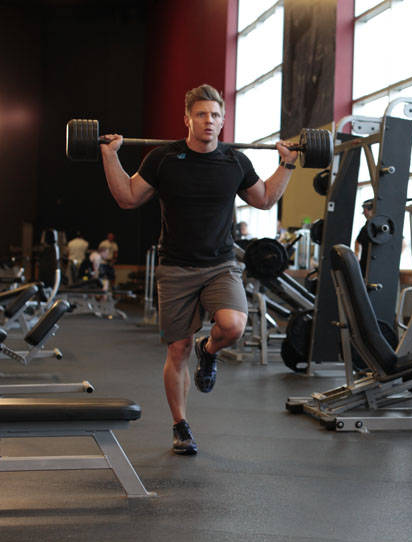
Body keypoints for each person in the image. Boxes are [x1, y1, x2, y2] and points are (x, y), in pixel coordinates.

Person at [99, 84, 298, 456]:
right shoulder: (163, 159)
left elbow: (265, 199)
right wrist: (111, 155)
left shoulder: (235, 161)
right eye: (202, 114)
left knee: (233, 325)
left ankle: (209, 352)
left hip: (220, 264)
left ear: (223, 121)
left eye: (216, 115)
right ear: (187, 119)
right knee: (177, 349)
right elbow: (127, 197)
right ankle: (181, 425)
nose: (210, 121)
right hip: (175, 267)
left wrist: (286, 164)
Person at [353, 198, 374, 276]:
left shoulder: (382, 225)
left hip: (377, 266)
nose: (365, 212)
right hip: (364, 266)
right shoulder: (365, 227)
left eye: (367, 209)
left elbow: (403, 243)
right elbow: (357, 241)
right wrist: (356, 254)